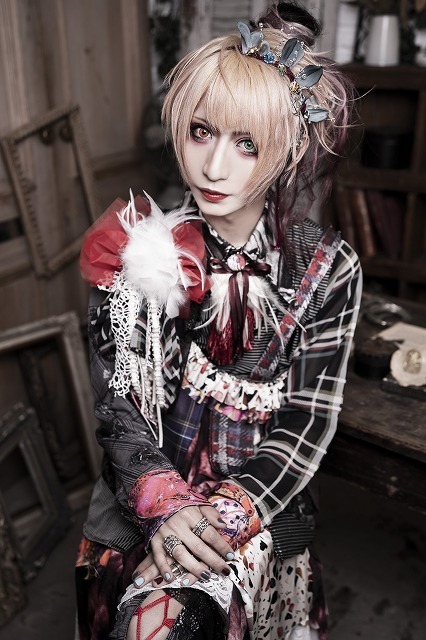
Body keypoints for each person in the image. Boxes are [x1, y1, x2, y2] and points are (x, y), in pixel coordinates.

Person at [75, 2, 362, 639]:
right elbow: (119, 405)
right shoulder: (140, 249)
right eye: (201, 131)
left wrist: (223, 520)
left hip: (257, 502)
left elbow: (308, 420)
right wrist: (165, 504)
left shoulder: (326, 268)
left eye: (247, 143)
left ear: (288, 150)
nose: (214, 166)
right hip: (148, 491)